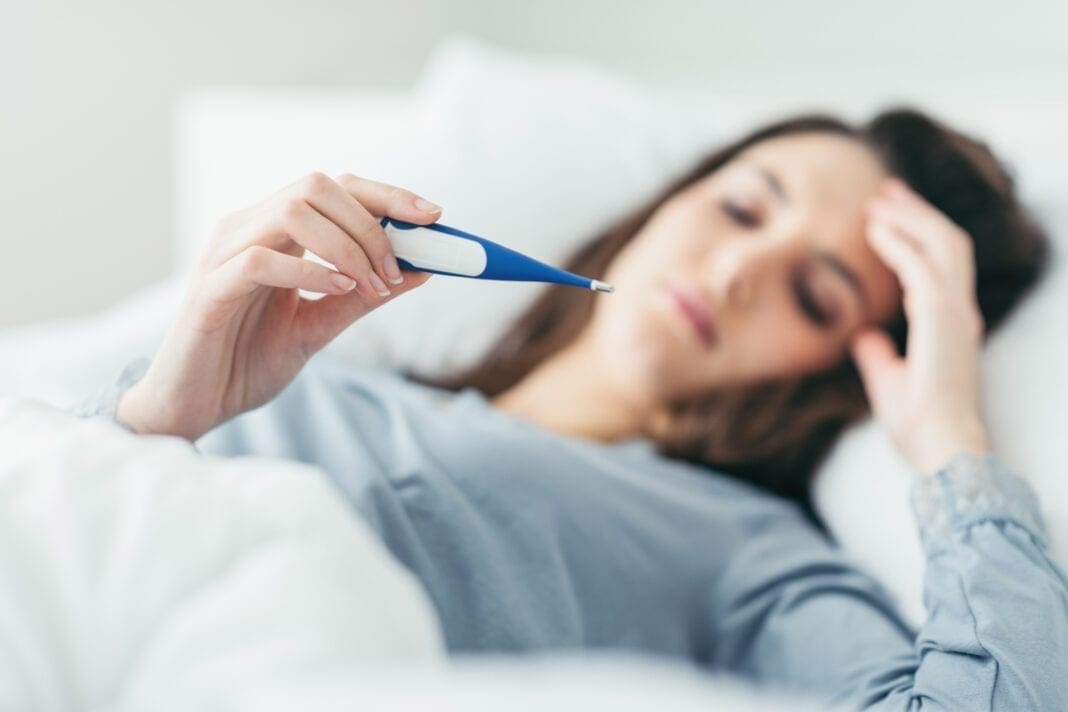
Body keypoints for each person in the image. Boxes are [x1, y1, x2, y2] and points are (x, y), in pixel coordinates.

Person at [78, 108, 1067, 709]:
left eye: (815, 294)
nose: (733, 273)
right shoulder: (307, 367)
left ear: (841, 365)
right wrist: (161, 417)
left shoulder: (748, 550)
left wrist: (950, 440)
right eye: (740, 209)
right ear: (668, 201)